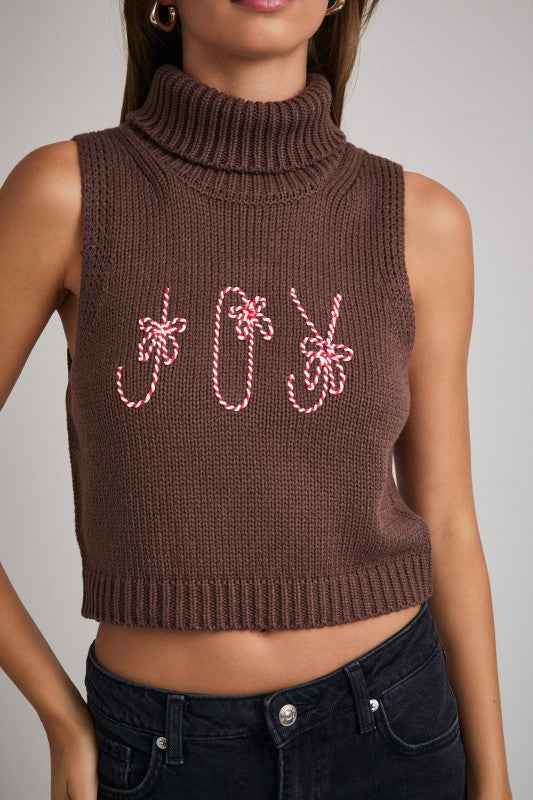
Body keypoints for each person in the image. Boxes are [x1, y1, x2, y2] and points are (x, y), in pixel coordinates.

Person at [0, 1, 513, 798]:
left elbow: (446, 517)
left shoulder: (420, 221)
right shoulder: (66, 193)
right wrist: (62, 720)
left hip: (394, 730)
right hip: (162, 751)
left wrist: (494, 779)